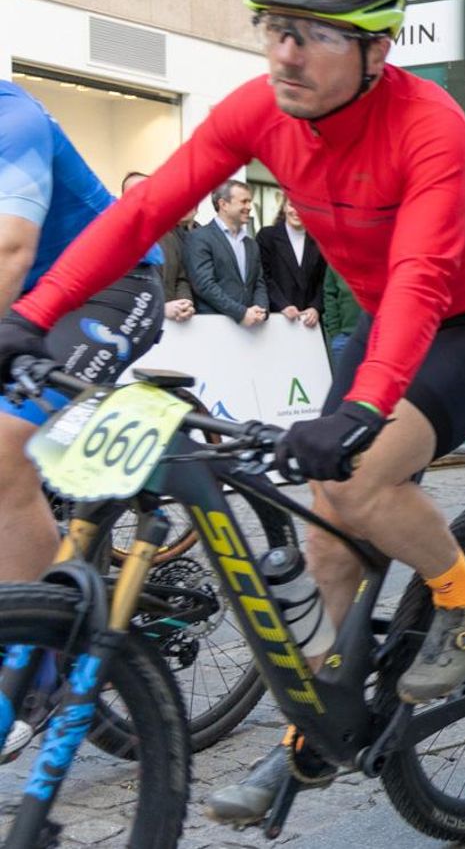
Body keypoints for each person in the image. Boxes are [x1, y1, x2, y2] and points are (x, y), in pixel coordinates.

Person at [0, 0, 465, 821]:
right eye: (274, 28)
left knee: (360, 479)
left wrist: (363, 408)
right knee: (325, 536)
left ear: (378, 50)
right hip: (386, 315)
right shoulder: (261, 110)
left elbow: (423, 276)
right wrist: (34, 315)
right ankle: (314, 735)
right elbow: (141, 214)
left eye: (315, 34)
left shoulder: (430, 127)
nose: (285, 53)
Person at [0, 81, 165, 583]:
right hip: (32, 302)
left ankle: (35, 651)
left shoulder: (13, 119)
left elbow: (10, 250)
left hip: (113, 288)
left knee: (4, 450)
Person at [185, 179, 268, 324]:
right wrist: (240, 313)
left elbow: (259, 283)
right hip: (215, 326)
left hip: (251, 329)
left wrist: (261, 310)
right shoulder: (200, 237)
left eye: (250, 201)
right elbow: (204, 285)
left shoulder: (251, 244)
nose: (249, 207)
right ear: (223, 204)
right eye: (244, 201)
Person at [124, 171, 195, 322]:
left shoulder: (170, 235)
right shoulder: (114, 239)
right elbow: (118, 291)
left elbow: (181, 278)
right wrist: (160, 308)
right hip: (132, 326)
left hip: (173, 326)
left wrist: (185, 302)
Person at [258, 199, 326, 330]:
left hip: (310, 321)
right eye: (292, 205)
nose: (297, 211)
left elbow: (324, 280)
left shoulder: (320, 240)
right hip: (277, 318)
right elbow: (263, 276)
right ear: (284, 207)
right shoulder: (267, 236)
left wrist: (316, 307)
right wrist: (282, 305)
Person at [321, 264, 360, 358]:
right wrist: (335, 332)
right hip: (345, 337)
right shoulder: (336, 260)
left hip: (379, 339)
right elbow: (329, 295)